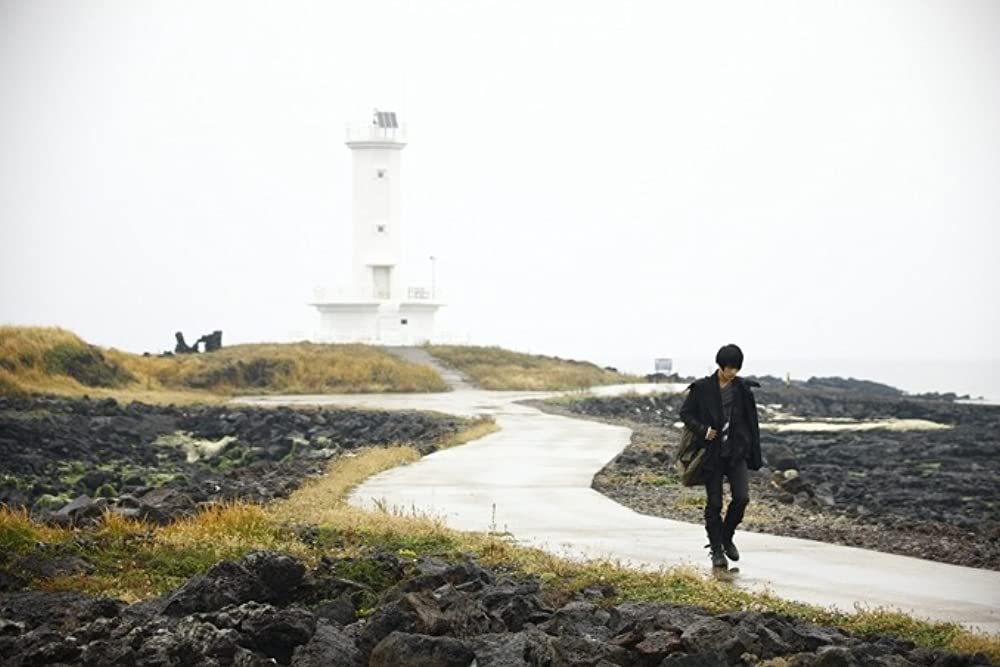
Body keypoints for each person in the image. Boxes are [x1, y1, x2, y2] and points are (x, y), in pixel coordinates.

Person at [679, 344, 762, 568]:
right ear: (720, 365)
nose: (732, 373)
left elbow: (752, 422)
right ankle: (716, 549)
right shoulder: (702, 388)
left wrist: (754, 451)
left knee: (742, 497)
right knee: (714, 503)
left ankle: (726, 537)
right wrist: (703, 430)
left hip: (736, 453)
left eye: (736, 368)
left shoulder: (742, 389)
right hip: (712, 454)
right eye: (729, 368)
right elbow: (685, 413)